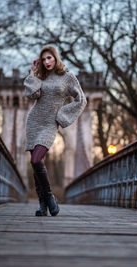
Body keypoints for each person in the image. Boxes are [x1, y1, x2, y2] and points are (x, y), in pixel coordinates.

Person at [24, 46, 87, 216]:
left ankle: (50, 196)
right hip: (34, 121)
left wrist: (62, 115)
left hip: (50, 124)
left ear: (56, 58)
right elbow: (32, 95)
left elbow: (81, 100)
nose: (46, 62)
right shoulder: (40, 76)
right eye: (43, 60)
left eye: (49, 58)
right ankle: (42, 205)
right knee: (34, 163)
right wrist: (32, 73)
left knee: (37, 160)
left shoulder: (68, 77)